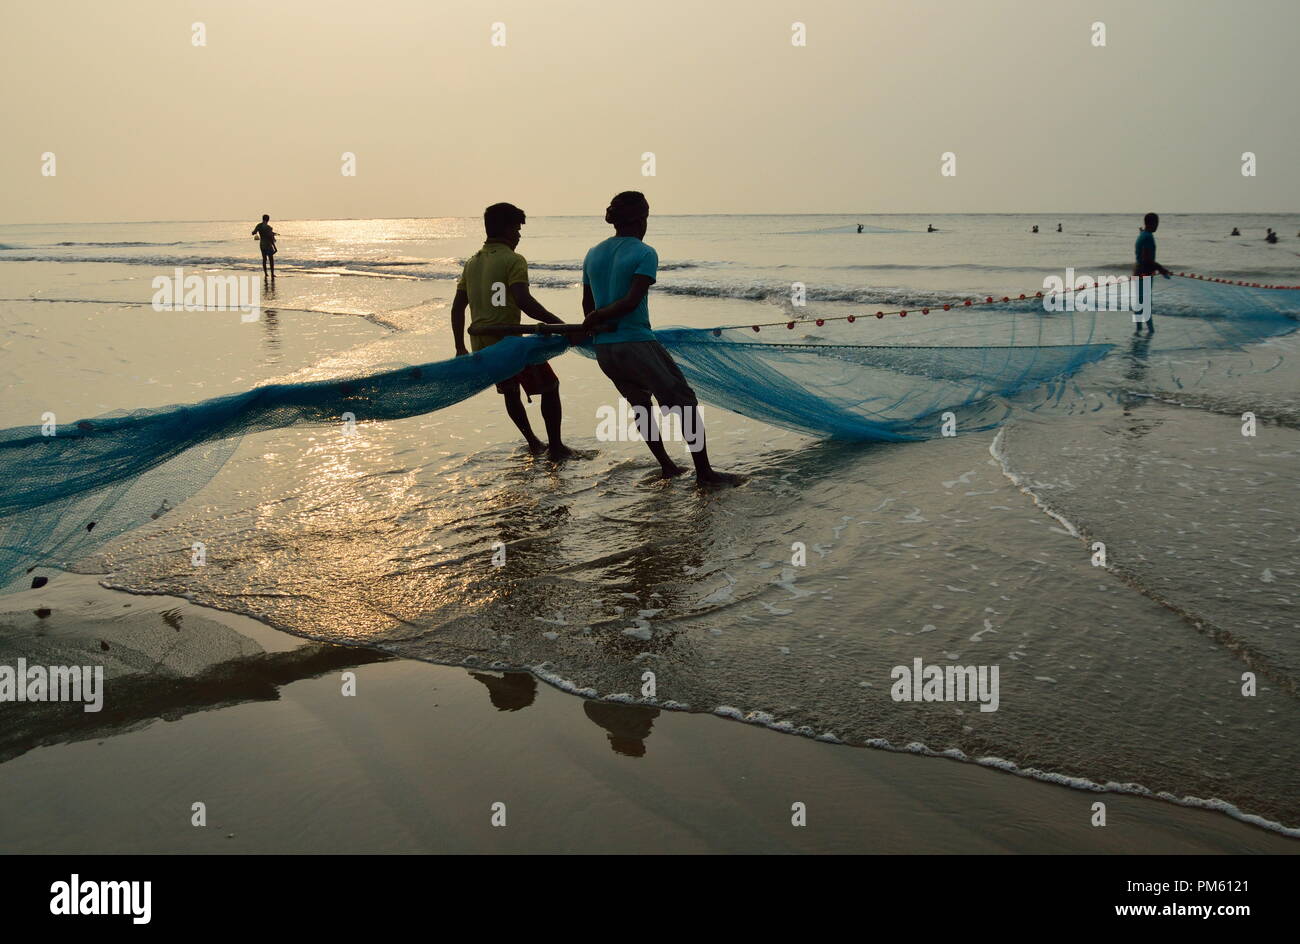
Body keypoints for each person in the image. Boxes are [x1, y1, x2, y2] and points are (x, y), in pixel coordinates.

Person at [581, 191, 742, 486]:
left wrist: (595, 319)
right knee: (685, 403)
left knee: (640, 405)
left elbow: (587, 306)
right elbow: (630, 302)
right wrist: (599, 317)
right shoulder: (645, 252)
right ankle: (705, 474)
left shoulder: (593, 253)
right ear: (642, 219)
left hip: (605, 349)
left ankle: (668, 466)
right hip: (636, 342)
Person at [451, 202, 574, 459]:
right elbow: (524, 302)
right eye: (517, 229)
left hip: (483, 345)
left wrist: (460, 347)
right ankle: (556, 447)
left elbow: (457, 308)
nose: (519, 235)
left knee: (510, 392)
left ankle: (533, 443)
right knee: (550, 387)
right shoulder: (514, 260)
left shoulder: (471, 263)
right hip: (510, 345)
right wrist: (560, 325)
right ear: (507, 229)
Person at [1133, 212, 1172, 335]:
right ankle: (1150, 331)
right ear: (1151, 223)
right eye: (1156, 223)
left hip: (1138, 271)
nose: (1157, 226)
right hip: (1144, 273)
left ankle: (1139, 330)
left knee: (1140, 303)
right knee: (1145, 304)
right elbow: (1147, 259)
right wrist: (1162, 269)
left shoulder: (1143, 235)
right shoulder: (1147, 237)